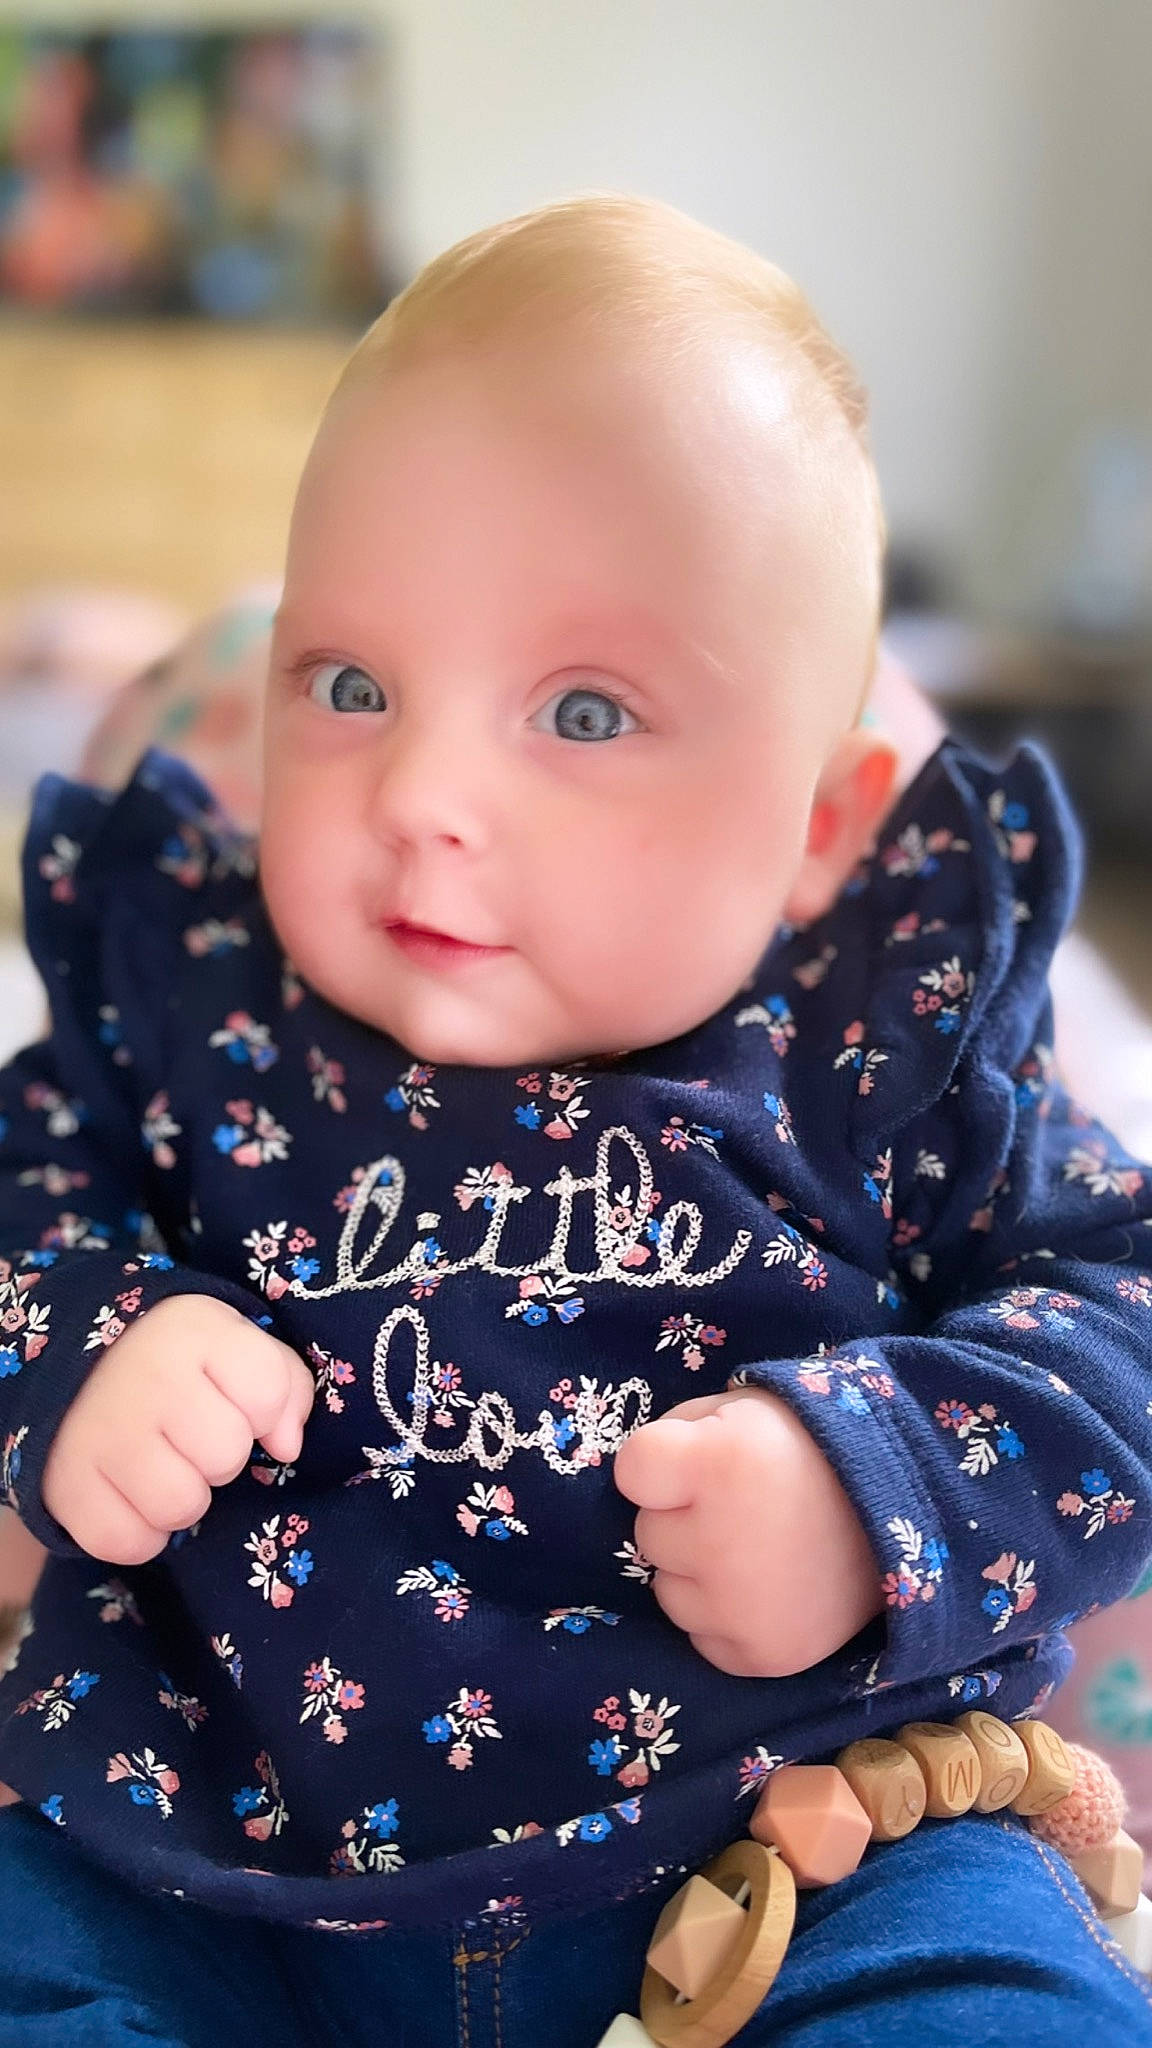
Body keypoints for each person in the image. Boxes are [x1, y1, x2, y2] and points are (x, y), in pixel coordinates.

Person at [0, 195, 1150, 2047]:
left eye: (588, 712)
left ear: (820, 826)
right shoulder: (187, 1007)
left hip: (805, 1854)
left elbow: (1131, 1320)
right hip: (188, 1847)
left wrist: (884, 1488)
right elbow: (16, 1210)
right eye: (354, 686)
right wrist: (92, 1340)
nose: (426, 794)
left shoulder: (889, 1041)